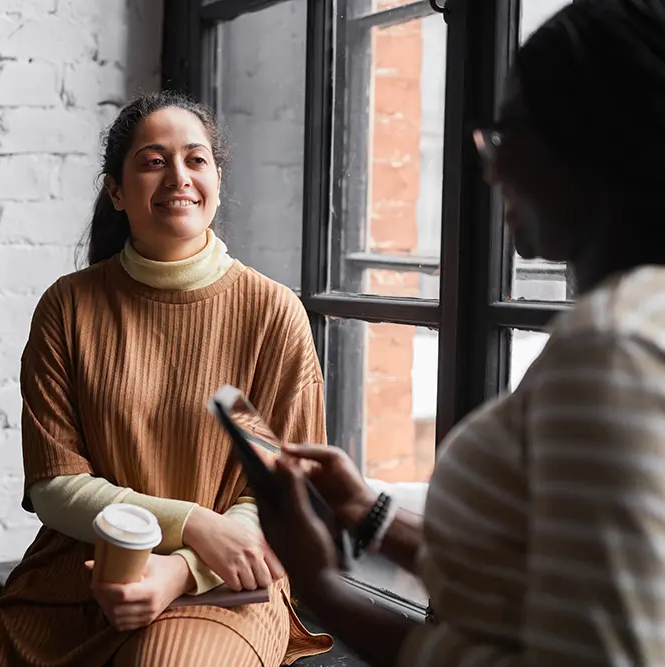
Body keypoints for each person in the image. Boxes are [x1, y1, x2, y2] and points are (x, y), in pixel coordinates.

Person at [256, 0, 665, 665]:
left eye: (504, 132)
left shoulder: (610, 349)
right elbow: (535, 582)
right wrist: (368, 510)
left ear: (588, 133)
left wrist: (321, 587)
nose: (489, 166)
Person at [0, 91, 333, 666]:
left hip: (225, 585)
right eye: (153, 161)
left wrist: (182, 567)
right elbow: (54, 484)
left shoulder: (270, 314)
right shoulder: (69, 308)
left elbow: (276, 490)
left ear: (216, 178)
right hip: (82, 572)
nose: (179, 177)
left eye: (196, 159)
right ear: (116, 191)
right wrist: (192, 523)